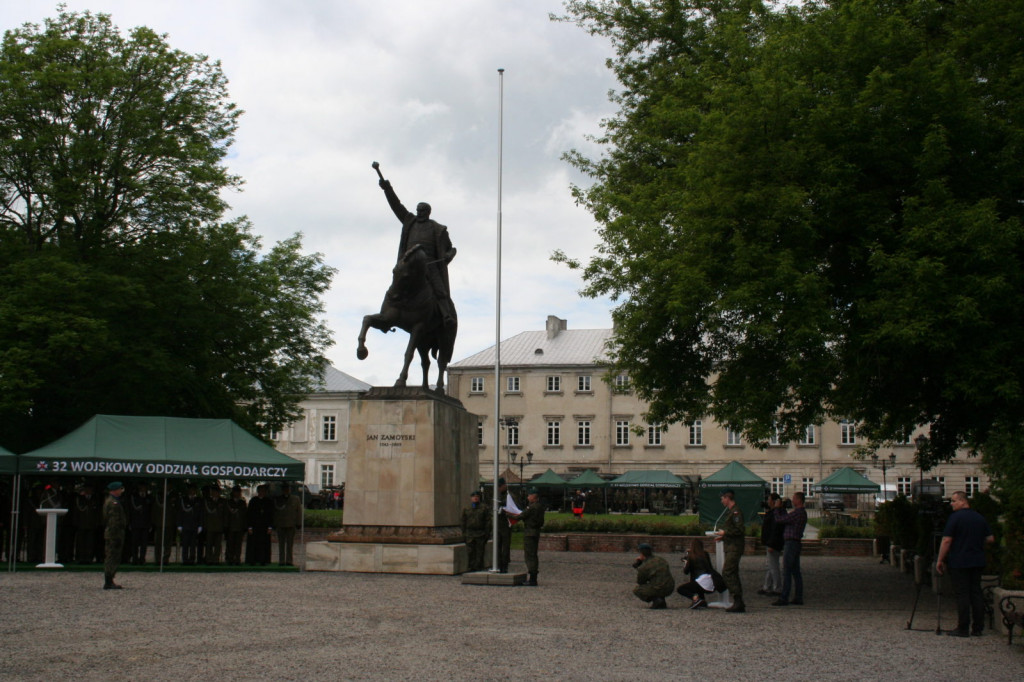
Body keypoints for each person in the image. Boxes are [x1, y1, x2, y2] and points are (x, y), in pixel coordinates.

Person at [378, 172, 457, 330]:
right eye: (418, 210)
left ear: (428, 212)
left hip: (429, 264)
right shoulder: (409, 221)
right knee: (396, 285)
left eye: (422, 211)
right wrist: (387, 188)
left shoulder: (438, 229)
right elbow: (396, 205)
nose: (419, 213)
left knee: (440, 290)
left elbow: (451, 248)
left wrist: (448, 256)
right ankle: (385, 315)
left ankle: (446, 315)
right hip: (408, 263)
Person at [936, 490, 995, 637]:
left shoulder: (955, 518)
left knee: (962, 594)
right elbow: (990, 539)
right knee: (976, 593)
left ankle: (963, 627)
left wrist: (940, 559)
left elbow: (947, 540)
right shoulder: (979, 517)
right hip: (977, 560)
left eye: (954, 501)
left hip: (960, 560)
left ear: (963, 501)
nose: (951, 504)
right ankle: (978, 627)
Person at [772, 491, 808, 606]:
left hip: (791, 543)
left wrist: (777, 508)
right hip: (796, 543)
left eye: (794, 499)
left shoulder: (798, 513)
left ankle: (784, 597)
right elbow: (787, 518)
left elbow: (780, 520)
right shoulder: (802, 513)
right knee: (796, 571)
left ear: (799, 500)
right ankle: (798, 596)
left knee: (787, 571)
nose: (792, 501)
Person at [714, 489, 746, 612]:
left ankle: (738, 600)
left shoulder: (736, 512)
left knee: (727, 572)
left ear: (728, 498)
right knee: (732, 572)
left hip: (735, 547)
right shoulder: (730, 512)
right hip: (731, 546)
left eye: (722, 498)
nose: (721, 501)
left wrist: (725, 532)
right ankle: (738, 601)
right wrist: (723, 536)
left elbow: (739, 530)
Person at [510, 487, 545, 586]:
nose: (528, 497)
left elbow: (520, 516)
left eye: (529, 495)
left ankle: (532, 578)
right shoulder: (539, 506)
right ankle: (533, 577)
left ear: (534, 497)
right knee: (533, 554)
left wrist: (507, 514)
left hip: (530, 532)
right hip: (535, 532)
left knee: (530, 555)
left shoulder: (532, 507)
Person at [632, 543, 675, 609]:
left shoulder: (644, 566)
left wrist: (639, 565)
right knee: (658, 582)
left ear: (641, 554)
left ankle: (656, 600)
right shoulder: (661, 559)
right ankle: (662, 601)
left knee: (637, 590)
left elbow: (641, 582)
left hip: (658, 588)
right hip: (670, 587)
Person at [677, 538, 716, 609]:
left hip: (700, 581)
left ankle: (695, 598)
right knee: (697, 586)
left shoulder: (691, 556)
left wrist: (686, 562)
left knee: (681, 589)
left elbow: (686, 571)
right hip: (709, 581)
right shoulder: (705, 554)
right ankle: (702, 601)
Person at [758, 493, 784, 597]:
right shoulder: (773, 512)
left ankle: (777, 588)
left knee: (773, 566)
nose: (768, 501)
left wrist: (771, 544)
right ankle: (767, 586)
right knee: (770, 565)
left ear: (774, 501)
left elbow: (775, 530)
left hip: (773, 543)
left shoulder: (777, 513)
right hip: (770, 542)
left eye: (769, 499)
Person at [102, 481, 127, 590]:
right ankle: (108, 581)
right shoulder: (113, 503)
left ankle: (110, 579)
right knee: (112, 556)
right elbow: (113, 521)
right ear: (115, 490)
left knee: (113, 556)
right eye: (120, 489)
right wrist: (115, 534)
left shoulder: (113, 501)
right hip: (114, 533)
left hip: (114, 533)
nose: (121, 491)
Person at [273, 483, 303, 566]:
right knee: (281, 544)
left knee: (290, 544)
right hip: (281, 524)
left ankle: (289, 560)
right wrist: (275, 523)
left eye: (288, 489)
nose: (286, 490)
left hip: (291, 524)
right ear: (282, 490)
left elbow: (299, 511)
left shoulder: (295, 499)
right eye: (285, 489)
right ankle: (281, 560)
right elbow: (276, 512)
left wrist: (298, 522)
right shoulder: (278, 499)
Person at [461, 490, 490, 572]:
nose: (475, 498)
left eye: (477, 497)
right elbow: (463, 521)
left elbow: (488, 522)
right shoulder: (467, 508)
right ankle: (471, 567)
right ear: (471, 498)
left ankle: (478, 567)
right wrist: (464, 533)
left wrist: (487, 534)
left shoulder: (484, 508)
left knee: (479, 552)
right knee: (470, 552)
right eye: (474, 497)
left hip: (480, 533)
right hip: (469, 534)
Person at [176, 485, 204, 565]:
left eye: (193, 490)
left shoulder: (198, 500)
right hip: (185, 525)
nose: (192, 492)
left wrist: (200, 525)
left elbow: (201, 513)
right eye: (191, 490)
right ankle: (185, 559)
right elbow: (180, 513)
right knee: (185, 544)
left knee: (193, 544)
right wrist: (179, 524)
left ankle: (192, 559)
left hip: (195, 525)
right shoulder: (183, 500)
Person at [127, 481, 153, 565]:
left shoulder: (149, 498)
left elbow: (151, 512)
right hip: (135, 523)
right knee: (134, 543)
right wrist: (130, 522)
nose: (143, 489)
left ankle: (142, 558)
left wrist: (150, 523)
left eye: (144, 487)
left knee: (144, 543)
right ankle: (135, 558)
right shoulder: (134, 497)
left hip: (145, 524)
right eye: (141, 487)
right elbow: (130, 510)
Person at [247, 484, 273, 565]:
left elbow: (271, 515)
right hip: (255, 526)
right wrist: (249, 526)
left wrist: (270, 527)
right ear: (258, 492)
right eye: (260, 491)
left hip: (265, 527)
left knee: (264, 544)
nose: (262, 493)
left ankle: (264, 560)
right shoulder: (253, 501)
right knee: (253, 544)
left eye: (263, 491)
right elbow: (249, 514)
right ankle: (252, 560)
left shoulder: (268, 501)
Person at [203, 485, 226, 565]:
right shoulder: (207, 501)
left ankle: (216, 559)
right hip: (210, 526)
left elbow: (225, 515)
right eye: (213, 492)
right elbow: (205, 514)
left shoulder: (223, 501)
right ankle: (208, 559)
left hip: (219, 526)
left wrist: (224, 526)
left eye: (216, 492)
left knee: (217, 545)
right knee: (209, 544)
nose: (214, 493)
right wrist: (205, 525)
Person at [224, 485, 248, 566]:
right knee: (230, 544)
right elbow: (226, 515)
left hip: (240, 526)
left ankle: (237, 558)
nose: (237, 493)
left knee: (238, 544)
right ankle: (230, 558)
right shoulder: (229, 502)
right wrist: (226, 526)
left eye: (238, 492)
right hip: (230, 526)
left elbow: (245, 515)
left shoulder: (242, 503)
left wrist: (245, 527)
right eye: (236, 492)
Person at [495, 478, 512, 573]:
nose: (499, 488)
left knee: (505, 547)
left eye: (500, 486)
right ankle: (498, 565)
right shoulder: (499, 496)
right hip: (498, 525)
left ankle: (504, 566)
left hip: (506, 524)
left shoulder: (508, 496)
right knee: (497, 546)